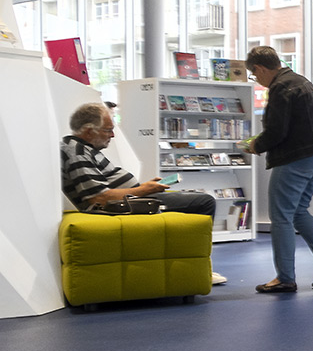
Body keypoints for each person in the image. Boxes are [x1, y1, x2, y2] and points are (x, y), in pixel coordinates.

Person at [60, 102, 226, 285]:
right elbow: (98, 198)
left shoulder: (82, 148)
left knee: (193, 199)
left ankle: (196, 266)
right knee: (204, 202)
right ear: (89, 131)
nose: (112, 135)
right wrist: (144, 190)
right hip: (121, 207)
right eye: (108, 130)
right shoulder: (77, 152)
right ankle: (199, 269)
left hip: (129, 201)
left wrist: (144, 188)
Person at [242, 45, 313, 293]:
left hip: (296, 158)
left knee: (281, 217)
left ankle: (285, 277)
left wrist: (256, 145)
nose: (257, 80)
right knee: (298, 211)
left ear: (259, 68)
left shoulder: (280, 88)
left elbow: (277, 131)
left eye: (254, 75)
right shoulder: (304, 82)